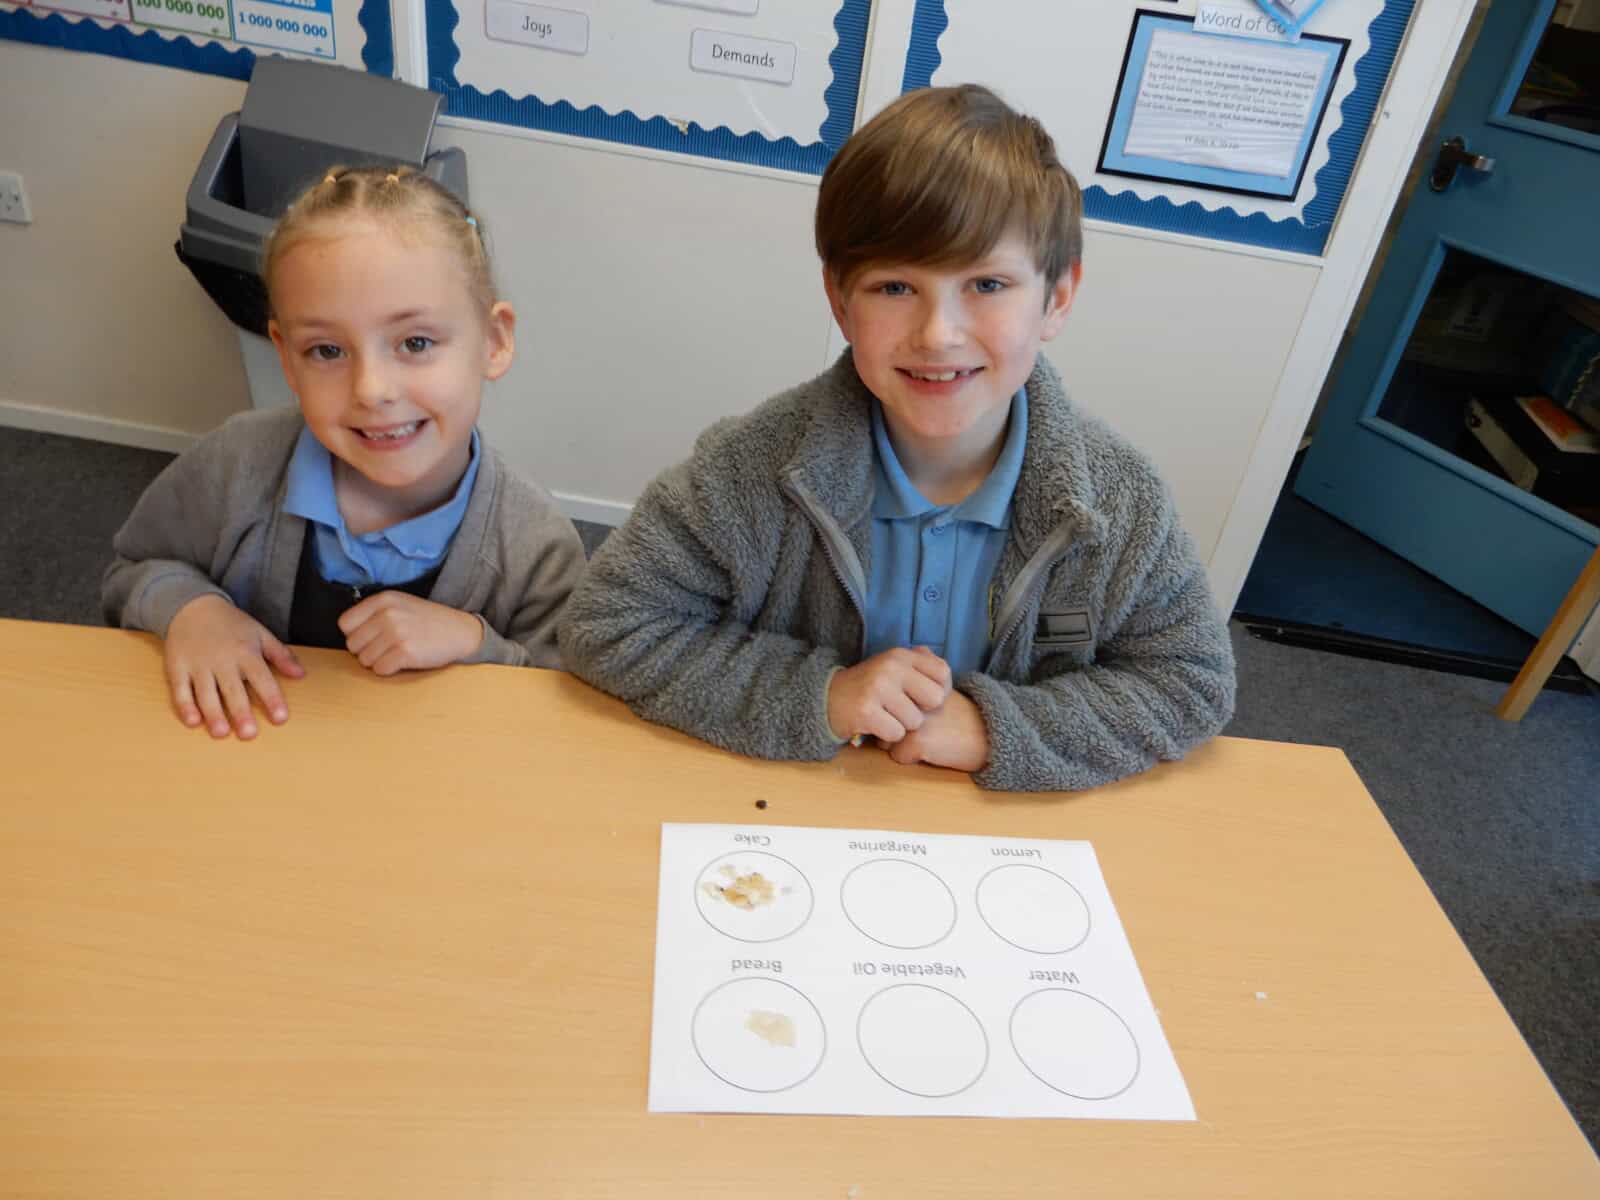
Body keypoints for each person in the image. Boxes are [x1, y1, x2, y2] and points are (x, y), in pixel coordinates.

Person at [559, 85, 1235, 791]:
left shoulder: (1121, 501)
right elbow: (609, 621)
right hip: (792, 809)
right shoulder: (749, 469)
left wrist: (998, 728)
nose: (938, 334)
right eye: (894, 288)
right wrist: (820, 695)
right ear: (839, 301)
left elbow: (1190, 681)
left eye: (987, 284)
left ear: (1056, 299)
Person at [104, 165, 585, 739]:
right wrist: (193, 610)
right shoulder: (236, 465)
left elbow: (564, 701)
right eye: (327, 350)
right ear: (286, 356)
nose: (371, 390)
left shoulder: (537, 546)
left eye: (415, 342)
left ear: (494, 341)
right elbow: (133, 569)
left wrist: (476, 643)